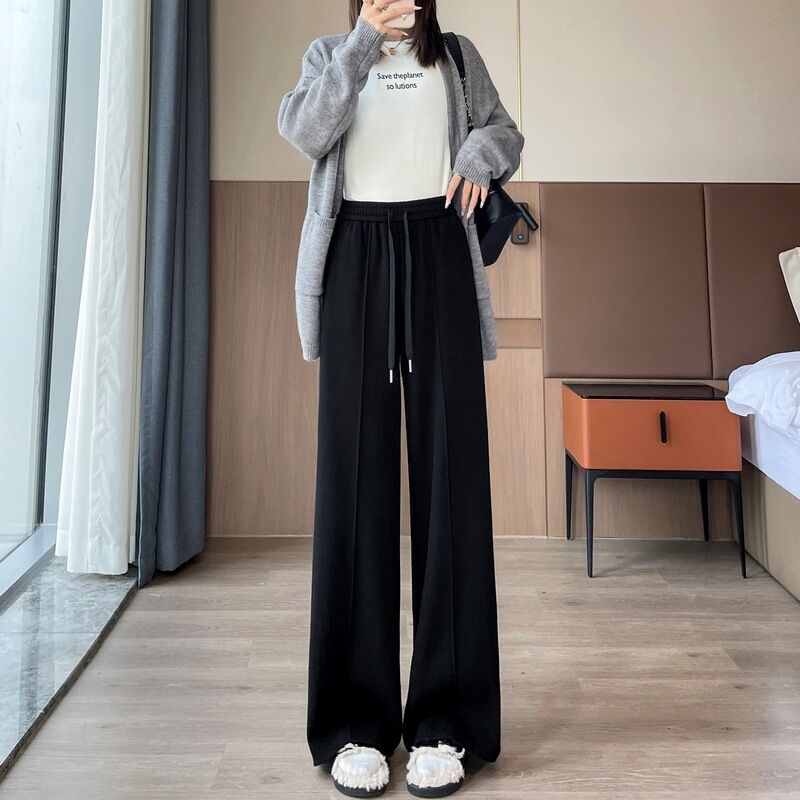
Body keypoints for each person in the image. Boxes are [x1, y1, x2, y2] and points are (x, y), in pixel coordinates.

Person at [277, 1, 524, 795]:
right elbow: (305, 131)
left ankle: (449, 723)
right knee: (354, 480)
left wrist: (479, 154)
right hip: (355, 254)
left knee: (453, 479)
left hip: (439, 246)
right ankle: (355, 724)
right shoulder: (331, 51)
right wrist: (360, 45)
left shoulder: (456, 54)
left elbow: (504, 132)